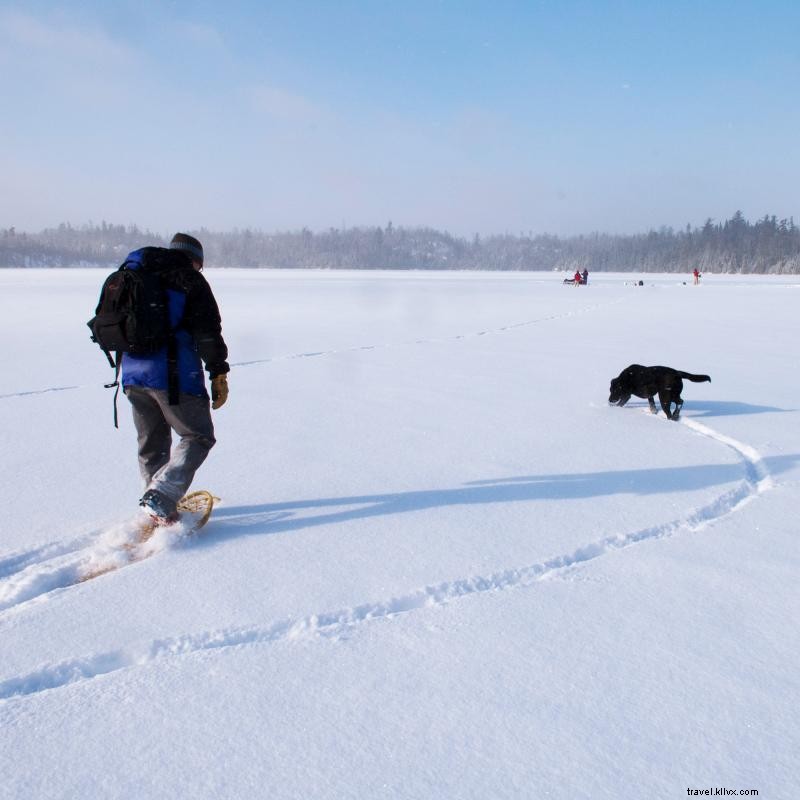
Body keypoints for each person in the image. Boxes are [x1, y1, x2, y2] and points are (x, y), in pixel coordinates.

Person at [123, 233, 229, 523]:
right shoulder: (188, 279)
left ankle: (157, 505)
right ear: (195, 260)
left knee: (152, 442)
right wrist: (218, 370)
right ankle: (163, 494)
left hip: (132, 372)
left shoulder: (136, 271)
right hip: (172, 374)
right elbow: (208, 331)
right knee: (198, 435)